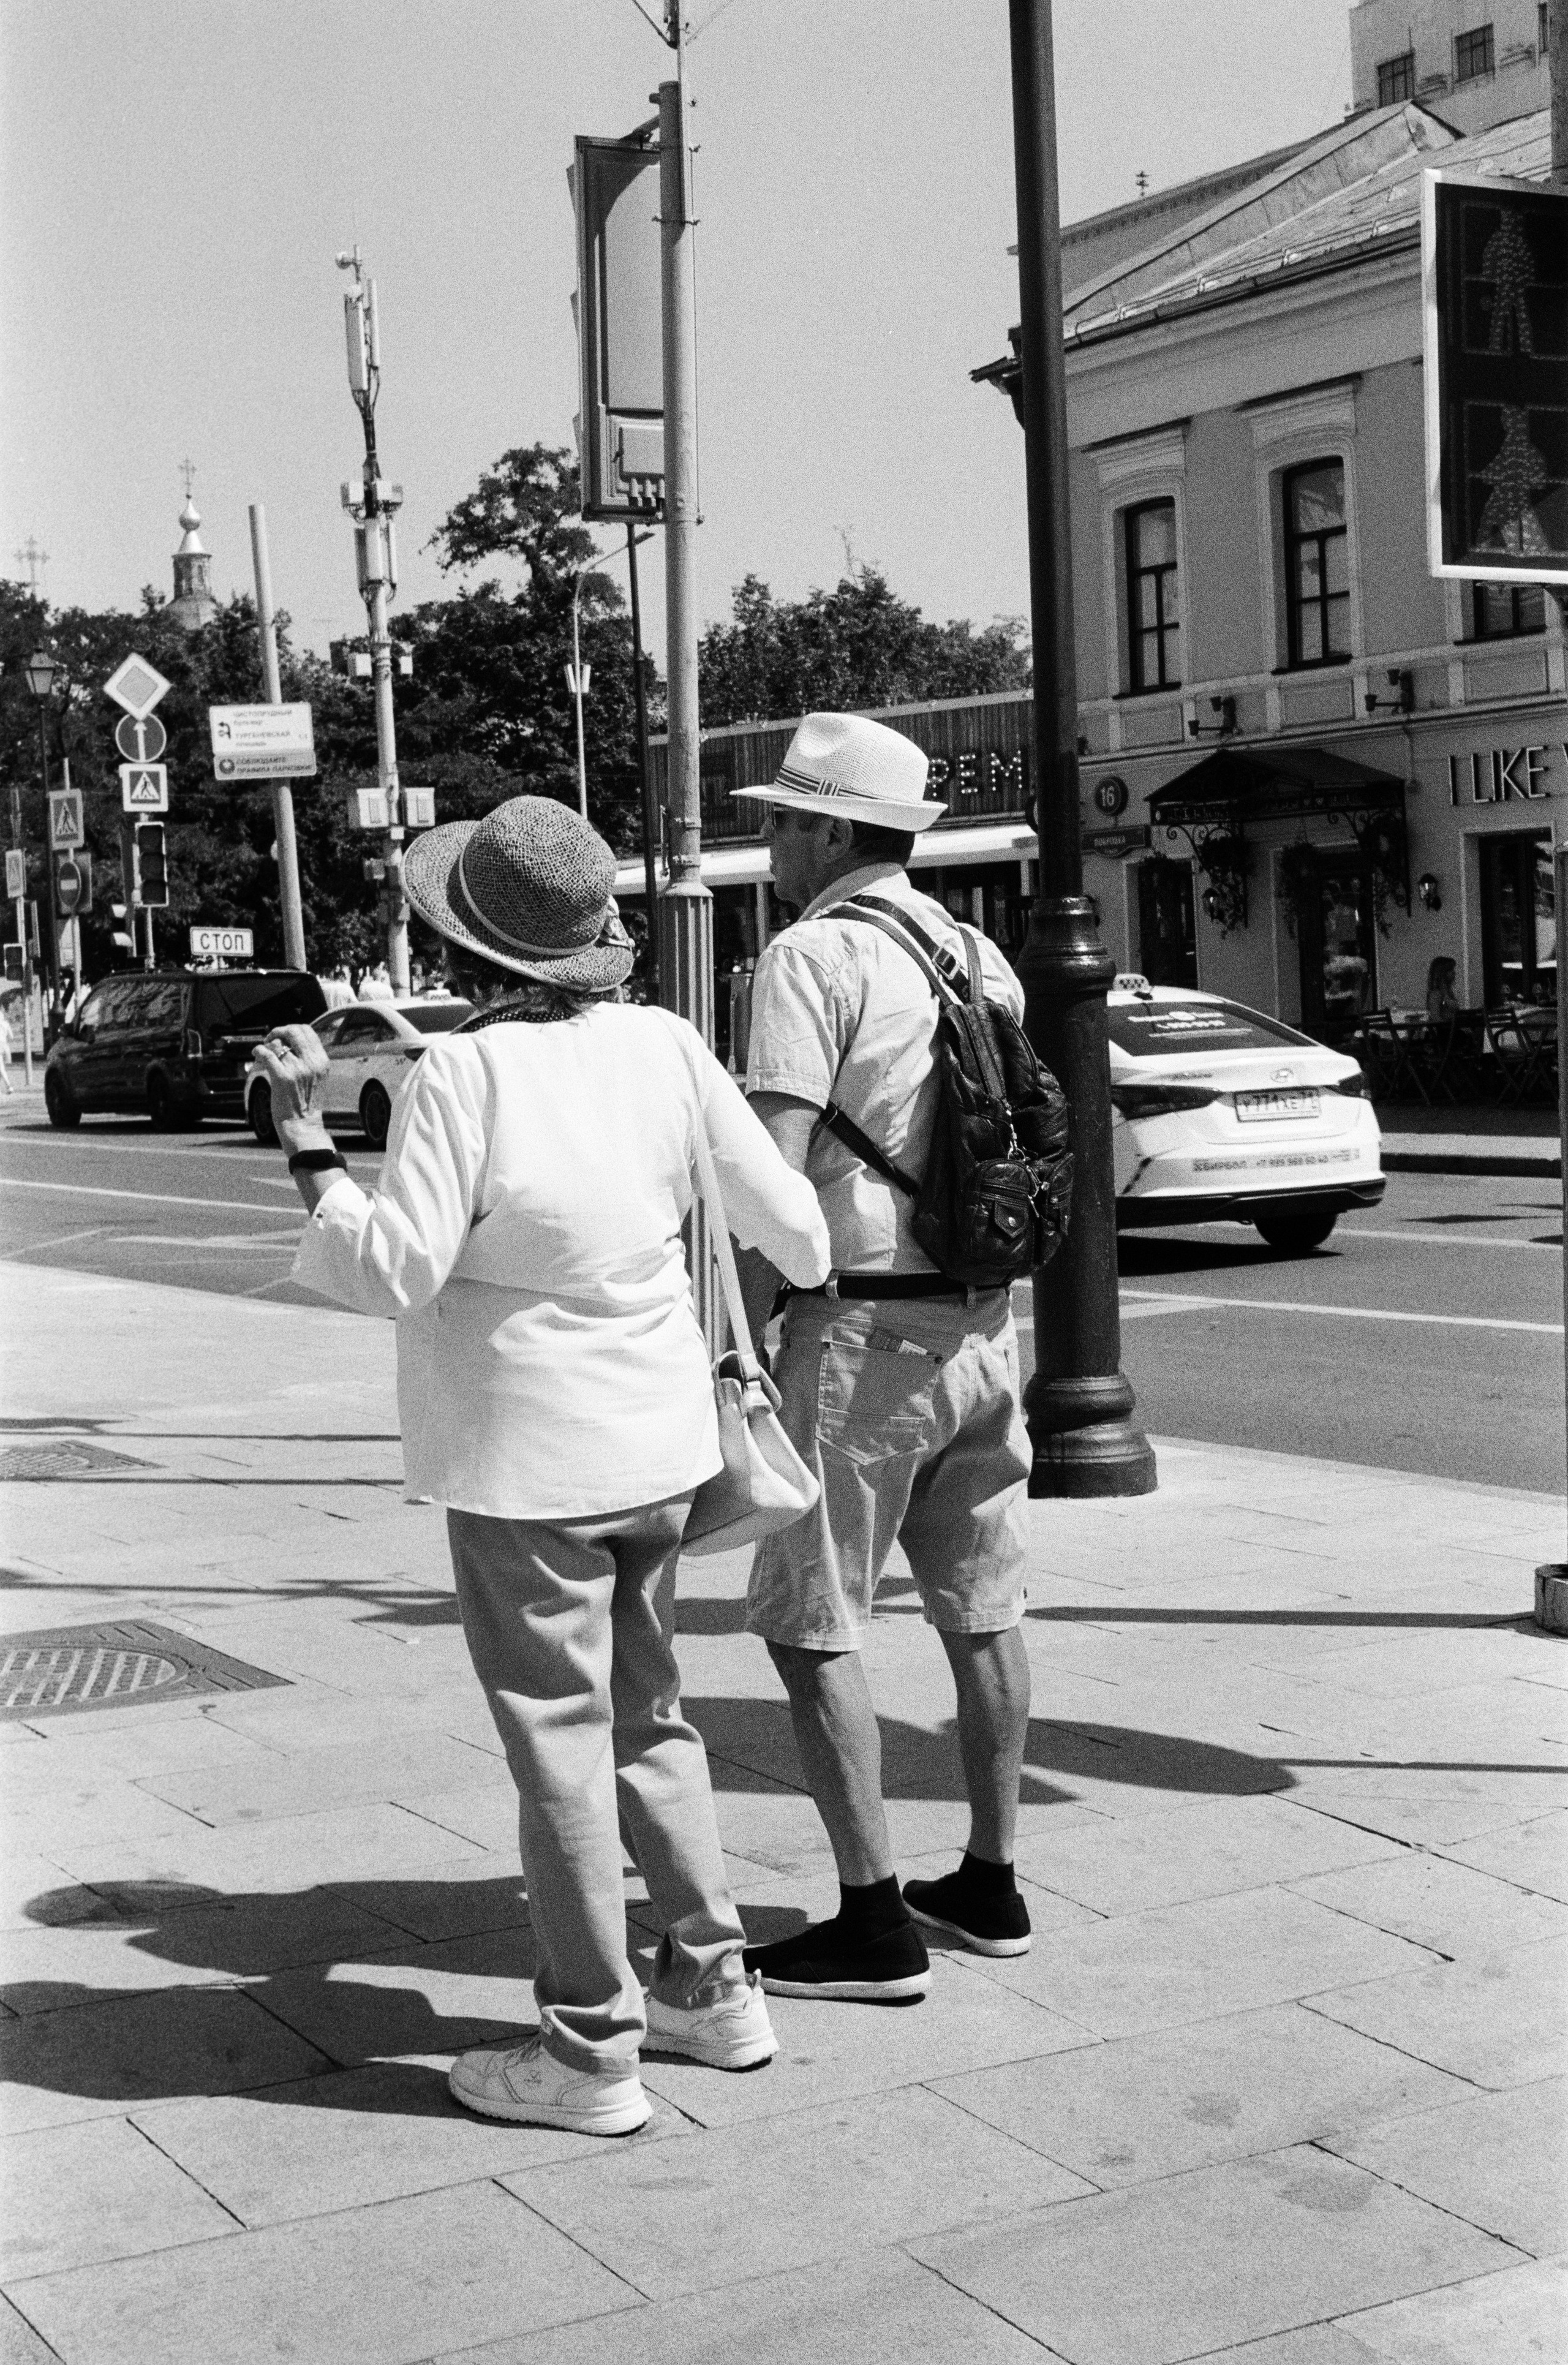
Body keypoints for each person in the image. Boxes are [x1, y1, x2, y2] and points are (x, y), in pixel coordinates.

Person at [256, 795, 829, 2136]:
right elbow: (799, 1236)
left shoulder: (464, 1071)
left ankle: (587, 2048)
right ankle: (713, 1983)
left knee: (558, 1753)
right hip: (663, 1449)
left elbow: (396, 1269)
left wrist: (304, 1143)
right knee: (653, 1720)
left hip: (527, 1468)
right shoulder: (665, 1044)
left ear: (467, 948)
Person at [730, 712, 1036, 2004]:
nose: (766, 842)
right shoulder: (977, 949)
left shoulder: (809, 956)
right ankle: (989, 1879)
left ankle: (868, 1920)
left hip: (860, 1331)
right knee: (982, 1603)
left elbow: (770, 1173)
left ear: (828, 828)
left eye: (782, 819)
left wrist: (735, 1338)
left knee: (812, 1619)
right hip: (982, 1325)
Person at [1426, 956, 1459, 1020]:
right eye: (1450, 970)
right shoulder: (1436, 994)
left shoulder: (1449, 992)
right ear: (1441, 973)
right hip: (1446, 1029)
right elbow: (1435, 1018)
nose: (1454, 972)